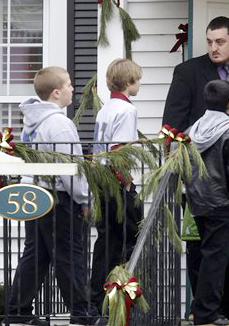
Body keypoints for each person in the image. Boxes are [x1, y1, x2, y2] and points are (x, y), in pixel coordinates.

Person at [163, 16, 229, 323]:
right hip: (201, 178)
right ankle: (206, 309)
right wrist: (186, 172)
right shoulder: (188, 72)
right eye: (209, 42)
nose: (213, 48)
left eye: (220, 42)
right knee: (201, 246)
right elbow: (173, 124)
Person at [4, 66, 98, 326]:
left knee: (36, 256)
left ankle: (19, 311)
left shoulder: (32, 123)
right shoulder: (59, 123)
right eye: (68, 85)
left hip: (34, 194)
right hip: (57, 197)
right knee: (70, 255)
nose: (72, 89)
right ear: (56, 93)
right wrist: (84, 199)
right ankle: (82, 313)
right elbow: (73, 168)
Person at [186, 79, 229, 326]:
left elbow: (182, 163)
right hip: (222, 202)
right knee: (216, 259)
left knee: (206, 257)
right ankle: (207, 314)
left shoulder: (192, 130)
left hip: (197, 200)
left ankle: (203, 310)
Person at [90, 59, 144, 314]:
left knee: (105, 241)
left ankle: (96, 296)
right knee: (126, 241)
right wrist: (129, 183)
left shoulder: (105, 108)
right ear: (129, 82)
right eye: (138, 79)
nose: (140, 83)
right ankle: (119, 296)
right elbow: (118, 150)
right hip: (115, 182)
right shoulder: (126, 110)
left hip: (100, 180)